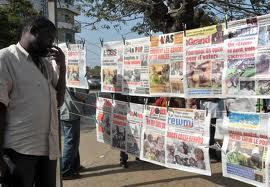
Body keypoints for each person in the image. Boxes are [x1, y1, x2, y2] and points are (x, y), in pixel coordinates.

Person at [0, 16, 66, 187]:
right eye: (49, 38)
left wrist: (62, 68)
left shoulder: (45, 64)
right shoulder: (5, 58)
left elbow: (58, 101)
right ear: (32, 31)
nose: (52, 44)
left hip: (48, 150)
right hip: (19, 151)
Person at [61, 88, 86, 180]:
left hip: (66, 110)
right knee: (71, 142)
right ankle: (65, 171)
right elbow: (80, 93)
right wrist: (86, 92)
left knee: (74, 141)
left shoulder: (59, 73)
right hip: (70, 111)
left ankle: (75, 166)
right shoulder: (72, 74)